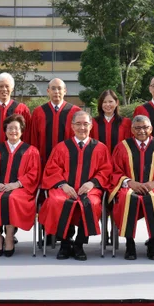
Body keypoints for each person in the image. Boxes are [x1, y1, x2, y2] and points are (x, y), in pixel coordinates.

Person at [39, 110, 111, 260]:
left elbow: (106, 170)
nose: (82, 127)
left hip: (90, 189)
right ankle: (65, 244)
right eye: (78, 124)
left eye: (85, 124)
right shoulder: (61, 147)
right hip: (64, 189)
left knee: (91, 203)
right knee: (56, 201)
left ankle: (79, 244)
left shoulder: (100, 148)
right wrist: (63, 184)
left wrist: (92, 183)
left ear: (91, 126)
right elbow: (52, 169)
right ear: (72, 126)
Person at [109, 115, 154, 260]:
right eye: (138, 128)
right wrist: (129, 182)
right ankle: (129, 245)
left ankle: (153, 245)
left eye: (145, 127)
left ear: (151, 128)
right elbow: (114, 171)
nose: (142, 131)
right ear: (132, 130)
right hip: (129, 187)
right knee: (126, 197)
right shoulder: (122, 147)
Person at [0, 114, 41, 257]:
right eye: (10, 128)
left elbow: (34, 173)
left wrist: (16, 184)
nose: (13, 131)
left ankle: (9, 237)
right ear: (5, 130)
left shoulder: (31, 151)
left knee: (11, 199)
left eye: (16, 128)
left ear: (22, 131)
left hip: (20, 189)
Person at [28, 78, 81, 164]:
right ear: (48, 91)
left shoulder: (75, 112)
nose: (56, 91)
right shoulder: (38, 112)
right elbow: (33, 138)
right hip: (43, 162)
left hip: (69, 162)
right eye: (53, 88)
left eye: (59, 88)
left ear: (65, 91)